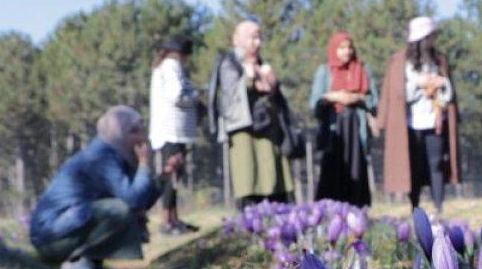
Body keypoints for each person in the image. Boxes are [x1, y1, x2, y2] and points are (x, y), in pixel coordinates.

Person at [29, 106, 181, 269]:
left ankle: (91, 263)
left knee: (121, 209)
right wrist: (144, 165)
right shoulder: (102, 157)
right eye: (134, 132)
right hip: (52, 240)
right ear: (118, 134)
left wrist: (166, 174)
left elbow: (140, 202)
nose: (141, 138)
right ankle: (77, 263)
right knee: (118, 209)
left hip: (63, 233)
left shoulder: (113, 154)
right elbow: (133, 201)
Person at [207, 20, 294, 209]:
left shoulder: (263, 64)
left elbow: (276, 95)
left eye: (259, 37)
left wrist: (271, 85)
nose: (257, 42)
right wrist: (249, 78)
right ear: (237, 39)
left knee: (273, 177)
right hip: (244, 132)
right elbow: (229, 98)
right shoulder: (229, 62)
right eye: (252, 37)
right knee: (249, 179)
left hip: (269, 130)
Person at [377, 16, 460, 213]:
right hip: (410, 123)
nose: (434, 39)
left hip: (435, 120)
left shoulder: (439, 61)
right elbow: (398, 95)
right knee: (413, 166)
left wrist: (440, 83)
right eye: (431, 35)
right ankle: (415, 206)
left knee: (436, 163)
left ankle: (439, 207)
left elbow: (449, 94)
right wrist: (419, 84)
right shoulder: (400, 63)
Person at [310, 31, 378, 207]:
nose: (346, 52)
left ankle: (358, 212)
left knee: (356, 168)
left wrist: (357, 98)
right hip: (334, 128)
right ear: (334, 50)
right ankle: (329, 212)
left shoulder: (362, 69)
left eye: (349, 47)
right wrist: (334, 96)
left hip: (356, 127)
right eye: (341, 48)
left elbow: (373, 100)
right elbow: (315, 104)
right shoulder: (325, 71)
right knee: (333, 169)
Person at [148, 37, 201, 235]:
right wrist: (195, 96)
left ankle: (173, 218)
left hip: (172, 130)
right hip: (172, 131)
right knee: (171, 177)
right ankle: (167, 221)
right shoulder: (171, 66)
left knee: (174, 177)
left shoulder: (164, 66)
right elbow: (176, 94)